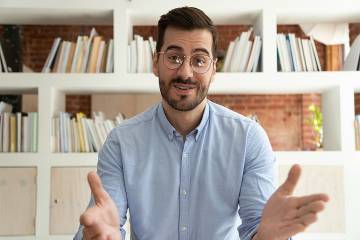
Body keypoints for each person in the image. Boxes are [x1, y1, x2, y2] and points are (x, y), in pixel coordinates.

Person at [74, 6, 329, 240]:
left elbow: (257, 228)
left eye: (199, 60)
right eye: (174, 57)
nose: (186, 72)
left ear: (213, 70)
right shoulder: (122, 142)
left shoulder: (248, 138)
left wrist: (266, 236)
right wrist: (93, 237)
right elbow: (105, 226)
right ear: (155, 63)